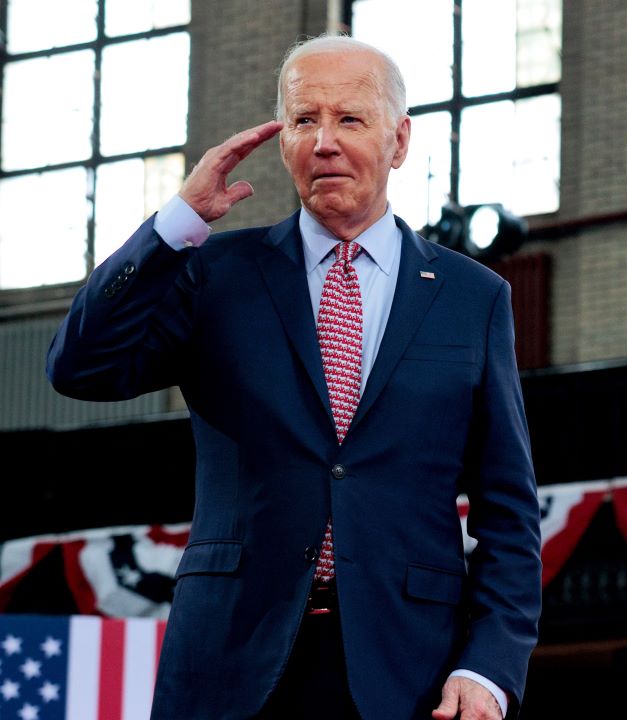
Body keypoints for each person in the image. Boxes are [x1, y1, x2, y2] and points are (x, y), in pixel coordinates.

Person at [47, 35, 540, 720]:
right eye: (304, 120)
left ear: (399, 141)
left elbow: (509, 513)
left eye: (350, 119)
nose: (324, 142)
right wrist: (174, 226)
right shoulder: (213, 273)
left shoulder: (472, 297)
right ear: (282, 142)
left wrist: (490, 665)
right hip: (230, 663)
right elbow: (80, 367)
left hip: (409, 672)